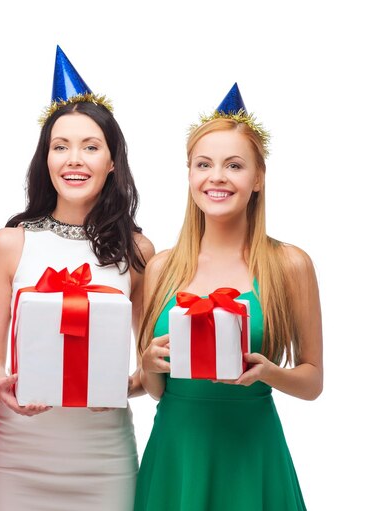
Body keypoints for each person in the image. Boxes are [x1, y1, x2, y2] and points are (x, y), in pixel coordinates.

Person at [0, 46, 154, 511]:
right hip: (17, 455)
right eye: (61, 146)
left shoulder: (138, 252)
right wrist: (2, 387)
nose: (73, 159)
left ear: (113, 161)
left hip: (104, 456)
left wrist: (125, 387)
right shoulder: (9, 243)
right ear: (46, 158)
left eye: (90, 147)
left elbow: (150, 366)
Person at [134, 83, 323, 511]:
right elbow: (158, 391)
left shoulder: (290, 265)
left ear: (257, 179)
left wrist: (267, 372)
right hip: (177, 452)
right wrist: (147, 365)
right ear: (189, 176)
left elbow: (312, 382)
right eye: (204, 164)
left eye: (234, 165)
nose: (216, 177)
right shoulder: (163, 267)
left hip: (252, 451)